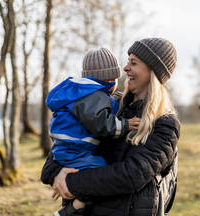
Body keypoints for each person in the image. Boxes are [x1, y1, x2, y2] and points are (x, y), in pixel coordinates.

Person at [41, 38, 180, 216]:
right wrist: (56, 173)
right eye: (128, 61)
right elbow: (58, 153)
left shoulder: (165, 123)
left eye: (133, 63)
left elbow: (130, 176)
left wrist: (70, 181)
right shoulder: (109, 107)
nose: (125, 68)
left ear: (153, 72)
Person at [46, 47, 140, 216]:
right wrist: (125, 125)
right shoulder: (94, 97)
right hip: (77, 152)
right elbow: (101, 124)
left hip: (65, 149)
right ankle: (72, 209)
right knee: (98, 172)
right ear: (110, 80)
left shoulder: (80, 93)